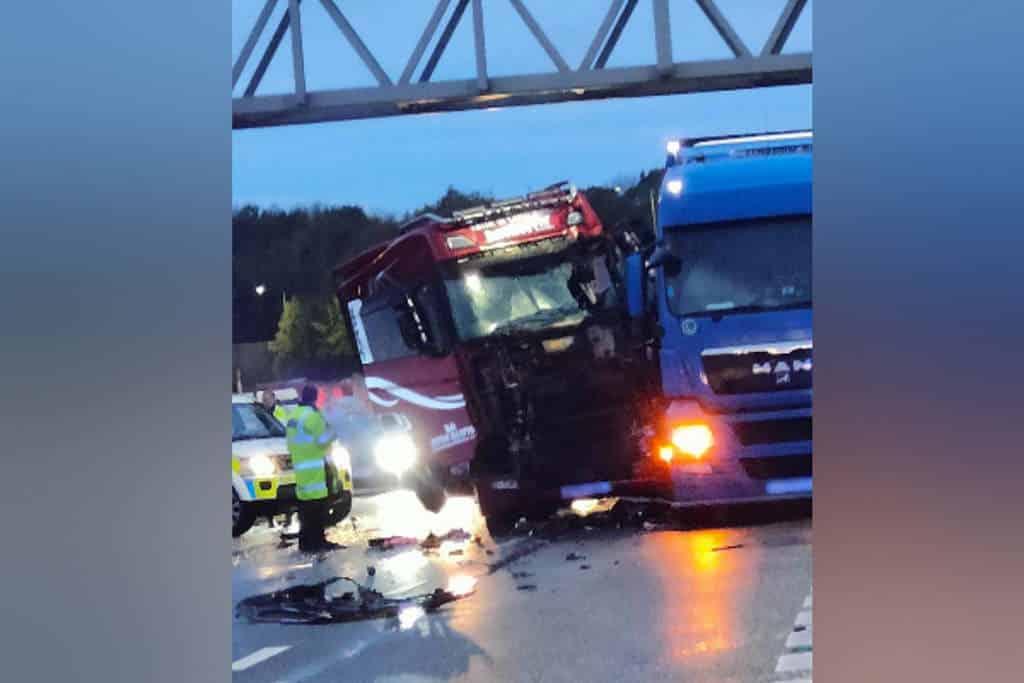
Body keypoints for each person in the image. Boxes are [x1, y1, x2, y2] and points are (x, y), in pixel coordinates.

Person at [285, 384, 343, 553]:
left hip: (300, 468)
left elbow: (291, 442)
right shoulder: (313, 416)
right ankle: (318, 543)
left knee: (305, 509)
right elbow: (322, 440)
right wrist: (335, 431)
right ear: (316, 397)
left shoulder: (294, 415)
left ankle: (305, 544)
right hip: (315, 467)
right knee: (318, 509)